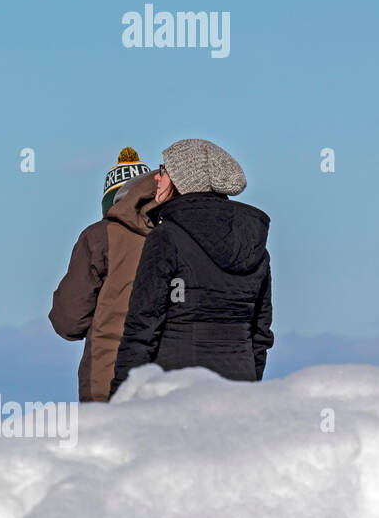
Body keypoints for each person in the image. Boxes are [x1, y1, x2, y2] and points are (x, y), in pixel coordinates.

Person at [111, 139, 273, 395]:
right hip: (240, 392)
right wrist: (250, 385)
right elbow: (261, 335)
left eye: (163, 170)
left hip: (176, 392)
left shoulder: (166, 238)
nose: (156, 178)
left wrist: (121, 398)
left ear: (182, 181)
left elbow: (141, 328)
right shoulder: (253, 244)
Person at [50, 147, 156, 402]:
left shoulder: (98, 237)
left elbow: (68, 320)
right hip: (165, 378)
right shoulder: (176, 232)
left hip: (105, 378)